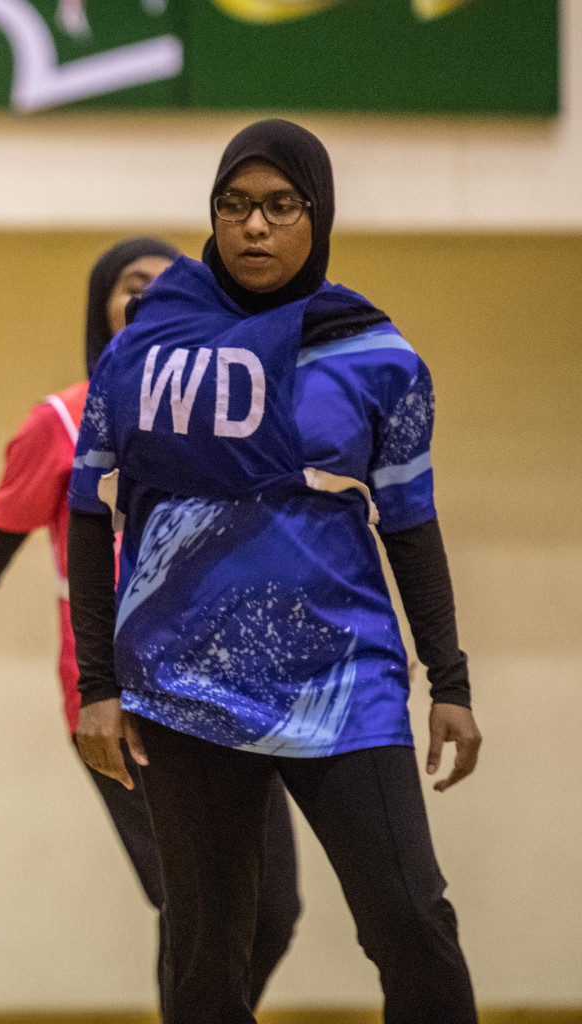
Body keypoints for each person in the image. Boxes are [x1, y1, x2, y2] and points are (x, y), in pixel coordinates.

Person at [69, 119, 481, 1023]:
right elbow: (90, 512)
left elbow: (411, 523)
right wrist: (98, 683)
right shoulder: (139, 352)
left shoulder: (379, 356)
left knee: (411, 920)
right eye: (234, 206)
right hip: (184, 686)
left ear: (316, 214)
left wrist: (448, 679)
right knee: (206, 955)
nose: (255, 227)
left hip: (344, 683)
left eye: (280, 207)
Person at [0, 238, 299, 1011]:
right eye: (133, 286)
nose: (154, 296)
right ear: (103, 313)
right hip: (120, 702)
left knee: (272, 913)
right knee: (198, 907)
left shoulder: (233, 421)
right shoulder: (60, 424)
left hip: (238, 698)